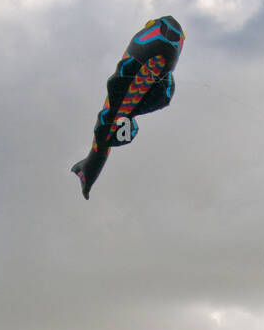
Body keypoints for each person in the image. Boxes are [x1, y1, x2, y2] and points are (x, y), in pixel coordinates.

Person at [72, 15, 184, 199]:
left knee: (111, 126)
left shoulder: (162, 86)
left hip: (130, 106)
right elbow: (118, 80)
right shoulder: (125, 86)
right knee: (107, 127)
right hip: (122, 110)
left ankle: (89, 170)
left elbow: (164, 96)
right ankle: (87, 172)